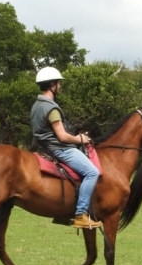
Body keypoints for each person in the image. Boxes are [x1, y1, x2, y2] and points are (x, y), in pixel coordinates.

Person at [30, 67, 103, 229]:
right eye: (58, 83)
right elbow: (62, 136)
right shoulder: (51, 108)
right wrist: (80, 139)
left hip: (43, 148)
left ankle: (63, 213)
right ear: (51, 85)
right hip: (59, 148)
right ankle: (81, 214)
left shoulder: (37, 105)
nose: (60, 87)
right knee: (92, 172)